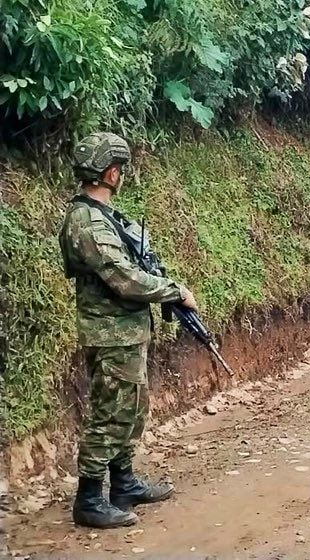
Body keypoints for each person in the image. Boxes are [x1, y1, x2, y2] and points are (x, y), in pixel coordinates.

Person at [59, 133, 199, 529]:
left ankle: (123, 483)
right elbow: (123, 278)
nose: (120, 175)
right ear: (110, 173)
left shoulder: (104, 216)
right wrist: (175, 291)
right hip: (110, 335)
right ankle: (89, 499)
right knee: (109, 413)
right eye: (119, 169)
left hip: (125, 332)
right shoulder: (86, 221)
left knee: (131, 410)